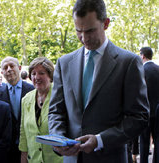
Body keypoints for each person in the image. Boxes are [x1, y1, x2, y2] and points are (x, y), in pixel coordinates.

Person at [48, 0, 149, 163]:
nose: (84, 38)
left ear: (106, 23)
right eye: (78, 31)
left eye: (90, 31)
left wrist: (100, 140)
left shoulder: (128, 62)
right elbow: (56, 111)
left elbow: (139, 117)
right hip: (71, 159)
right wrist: (58, 139)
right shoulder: (64, 63)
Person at [19, 57, 63, 163]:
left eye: (41, 73)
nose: (37, 77)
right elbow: (23, 133)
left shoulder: (61, 94)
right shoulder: (26, 99)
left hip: (58, 159)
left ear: (50, 76)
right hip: (34, 159)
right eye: (33, 74)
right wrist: (23, 158)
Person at [0, 56, 34, 163]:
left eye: (12, 66)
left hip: (29, 147)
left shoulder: (32, 91)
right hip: (7, 151)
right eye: (5, 67)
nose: (9, 69)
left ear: (19, 68)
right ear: (2, 72)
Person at [139, 47, 159, 163]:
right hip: (158, 112)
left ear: (142, 56)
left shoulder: (141, 70)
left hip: (145, 112)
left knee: (144, 143)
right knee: (157, 140)